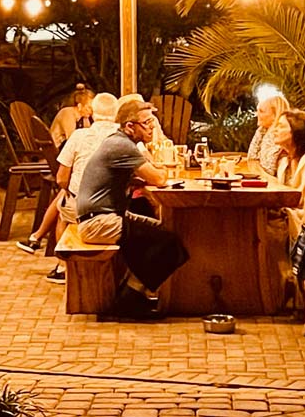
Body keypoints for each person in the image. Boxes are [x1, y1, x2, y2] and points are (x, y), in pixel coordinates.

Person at [74, 98, 189, 318]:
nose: (152, 126)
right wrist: (159, 169)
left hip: (103, 217)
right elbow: (158, 178)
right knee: (167, 242)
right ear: (129, 126)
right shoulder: (121, 146)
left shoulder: (119, 143)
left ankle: (134, 293)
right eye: (146, 123)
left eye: (152, 121)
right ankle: (129, 300)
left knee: (166, 232)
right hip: (97, 223)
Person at [16, 92, 119, 284]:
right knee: (67, 198)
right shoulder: (124, 138)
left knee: (66, 202)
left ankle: (61, 265)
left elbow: (61, 178)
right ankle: (40, 241)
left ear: (93, 113)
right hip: (114, 208)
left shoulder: (80, 136)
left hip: (79, 206)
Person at [246, 93, 292, 176]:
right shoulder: (262, 131)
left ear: (275, 115)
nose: (257, 114)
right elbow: (251, 157)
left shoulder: (280, 136)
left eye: (261, 111)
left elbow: (268, 168)